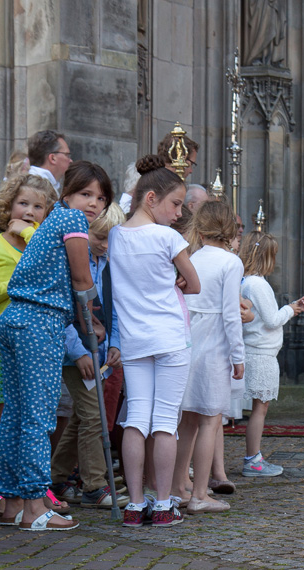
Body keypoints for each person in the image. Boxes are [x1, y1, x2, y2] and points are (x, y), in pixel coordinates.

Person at [0, 161, 112, 531]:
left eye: (101, 198)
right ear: (67, 194)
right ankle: (34, 506)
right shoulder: (72, 219)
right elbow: (81, 278)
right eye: (85, 194)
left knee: (16, 414)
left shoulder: (53, 220)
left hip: (15, 318)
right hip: (39, 322)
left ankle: (13, 503)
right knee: (37, 416)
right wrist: (90, 322)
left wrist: (86, 320)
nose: (93, 204)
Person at [111, 154, 200, 528]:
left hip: (134, 339)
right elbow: (194, 284)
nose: (179, 213)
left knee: (135, 419)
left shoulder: (115, 235)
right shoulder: (167, 237)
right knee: (164, 421)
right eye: (175, 204)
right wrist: (176, 283)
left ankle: (134, 505)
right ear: (151, 198)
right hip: (169, 337)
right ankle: (163, 504)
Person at [0, 174, 57, 514]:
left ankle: (30, 489)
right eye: (23, 203)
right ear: (8, 206)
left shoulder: (42, 246)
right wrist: (12, 286)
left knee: (31, 418)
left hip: (38, 345)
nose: (30, 211)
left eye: (38, 206)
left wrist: (31, 235)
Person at [49, 205, 128, 510]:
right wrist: (78, 352)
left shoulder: (107, 263)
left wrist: (116, 343)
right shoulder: (71, 261)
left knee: (82, 417)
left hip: (99, 351)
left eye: (111, 240)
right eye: (99, 237)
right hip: (76, 354)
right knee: (94, 415)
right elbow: (63, 312)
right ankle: (94, 485)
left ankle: (56, 479)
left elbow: (114, 307)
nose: (105, 245)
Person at [172, 202, 244, 515]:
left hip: (189, 340)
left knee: (187, 419)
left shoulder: (192, 258)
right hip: (214, 344)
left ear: (200, 229)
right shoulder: (231, 262)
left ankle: (178, 486)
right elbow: (231, 314)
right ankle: (200, 493)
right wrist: (238, 355)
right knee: (210, 420)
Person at [238, 231, 304, 479]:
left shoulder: (245, 281)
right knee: (260, 408)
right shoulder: (258, 284)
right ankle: (253, 460)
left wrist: (290, 308)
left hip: (254, 350)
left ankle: (253, 458)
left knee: (258, 407)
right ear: (267, 256)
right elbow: (272, 320)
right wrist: (290, 309)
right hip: (260, 353)